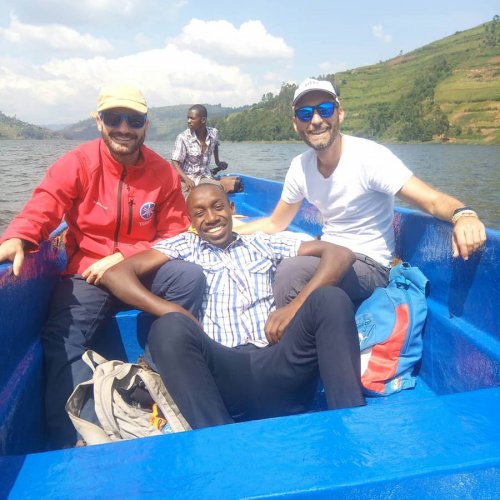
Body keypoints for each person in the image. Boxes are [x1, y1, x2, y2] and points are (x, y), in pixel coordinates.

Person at [0, 83, 205, 449]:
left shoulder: (163, 174)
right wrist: (18, 236)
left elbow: (175, 235)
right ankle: (82, 434)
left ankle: (149, 378)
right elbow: (44, 205)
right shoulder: (78, 163)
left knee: (189, 277)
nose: (123, 127)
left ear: (146, 124)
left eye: (134, 119)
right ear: (99, 121)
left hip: (141, 270)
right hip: (88, 273)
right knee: (61, 335)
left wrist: (125, 257)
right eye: (114, 118)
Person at [100, 184, 365, 429]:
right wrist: (172, 310)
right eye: (199, 213)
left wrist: (295, 306)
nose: (211, 218)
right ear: (190, 221)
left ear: (232, 209)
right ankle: (217, 437)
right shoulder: (183, 246)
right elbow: (116, 275)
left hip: (279, 362)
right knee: (167, 327)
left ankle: (348, 421)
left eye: (218, 207)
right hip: (225, 373)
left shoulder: (263, 242)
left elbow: (339, 253)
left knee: (330, 298)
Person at [237, 78, 487, 306]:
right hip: (327, 251)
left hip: (368, 264)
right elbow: (275, 222)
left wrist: (462, 214)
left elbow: (432, 200)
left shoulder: (369, 157)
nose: (315, 120)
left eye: (325, 109)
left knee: (292, 272)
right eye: (305, 114)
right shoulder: (300, 167)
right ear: (296, 124)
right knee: (262, 258)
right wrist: (232, 230)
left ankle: (295, 348)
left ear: (340, 113)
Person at [171, 104, 228, 198]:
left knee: (218, 193)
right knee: (191, 200)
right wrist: (186, 179)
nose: (188, 121)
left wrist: (218, 162)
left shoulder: (213, 133)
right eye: (188, 118)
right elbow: (174, 163)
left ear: (203, 120)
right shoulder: (183, 138)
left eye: (192, 118)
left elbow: (215, 145)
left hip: (204, 175)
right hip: (186, 178)